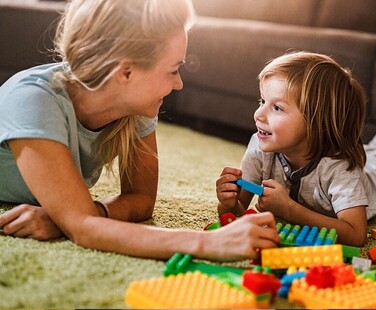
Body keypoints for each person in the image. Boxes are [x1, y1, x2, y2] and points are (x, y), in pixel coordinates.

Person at [0, 0, 280, 262]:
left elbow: (141, 200)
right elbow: (84, 230)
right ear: (126, 73)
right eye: (173, 70)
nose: (179, 83)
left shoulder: (134, 105)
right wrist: (210, 242)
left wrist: (74, 215)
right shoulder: (33, 101)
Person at [216, 51, 376, 247]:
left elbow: (356, 234)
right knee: (370, 152)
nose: (258, 114)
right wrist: (228, 204)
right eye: (262, 101)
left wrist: (290, 210)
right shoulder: (261, 147)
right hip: (363, 162)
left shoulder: (342, 168)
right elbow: (238, 212)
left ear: (316, 121)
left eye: (277, 108)